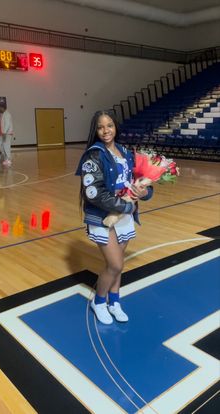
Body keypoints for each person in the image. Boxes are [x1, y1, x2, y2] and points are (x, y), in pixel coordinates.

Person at [76, 110, 153, 325]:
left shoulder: (125, 152)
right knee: (115, 264)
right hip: (103, 217)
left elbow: (141, 180)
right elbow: (94, 193)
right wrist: (125, 206)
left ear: (115, 126)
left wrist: (144, 193)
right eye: (100, 127)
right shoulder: (94, 155)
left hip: (124, 216)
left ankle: (114, 302)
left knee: (118, 262)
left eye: (109, 125)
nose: (105, 130)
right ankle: (99, 302)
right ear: (96, 130)